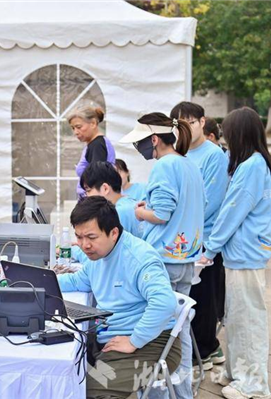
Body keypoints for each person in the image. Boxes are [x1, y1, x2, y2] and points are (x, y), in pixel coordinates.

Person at [120, 112, 205, 398]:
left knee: (157, 335)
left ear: (154, 139)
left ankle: (159, 394)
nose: (138, 148)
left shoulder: (164, 166)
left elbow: (162, 214)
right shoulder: (187, 163)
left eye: (140, 142)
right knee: (178, 332)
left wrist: (139, 211)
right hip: (186, 260)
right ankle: (182, 393)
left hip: (164, 260)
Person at [58, 196, 179, 397]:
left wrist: (134, 340)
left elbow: (165, 303)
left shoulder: (139, 258)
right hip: (112, 338)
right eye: (79, 237)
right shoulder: (98, 256)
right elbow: (78, 281)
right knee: (65, 373)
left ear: (113, 233)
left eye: (91, 237)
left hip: (151, 343)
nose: (84, 245)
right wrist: (38, 280)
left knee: (86, 389)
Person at [200, 107, 271, 399]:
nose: (226, 139)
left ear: (240, 134)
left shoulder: (252, 166)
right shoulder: (249, 163)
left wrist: (210, 248)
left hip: (246, 255)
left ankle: (254, 384)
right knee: (236, 317)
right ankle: (236, 372)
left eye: (229, 134)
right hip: (241, 254)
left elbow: (232, 211)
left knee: (248, 320)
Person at [171, 101, 229, 371]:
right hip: (182, 239)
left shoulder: (214, 155)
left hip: (205, 238)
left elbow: (212, 202)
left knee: (205, 298)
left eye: (190, 123)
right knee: (191, 297)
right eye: (179, 125)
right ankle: (208, 348)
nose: (185, 128)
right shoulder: (179, 154)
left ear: (202, 122)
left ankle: (204, 352)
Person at [80, 161, 142, 237]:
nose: (87, 196)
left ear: (105, 188)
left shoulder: (118, 212)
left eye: (88, 190)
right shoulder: (129, 203)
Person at [67, 104, 116, 199]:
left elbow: (97, 178)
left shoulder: (97, 145)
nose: (75, 132)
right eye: (73, 128)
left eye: (79, 127)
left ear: (93, 123)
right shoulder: (95, 144)